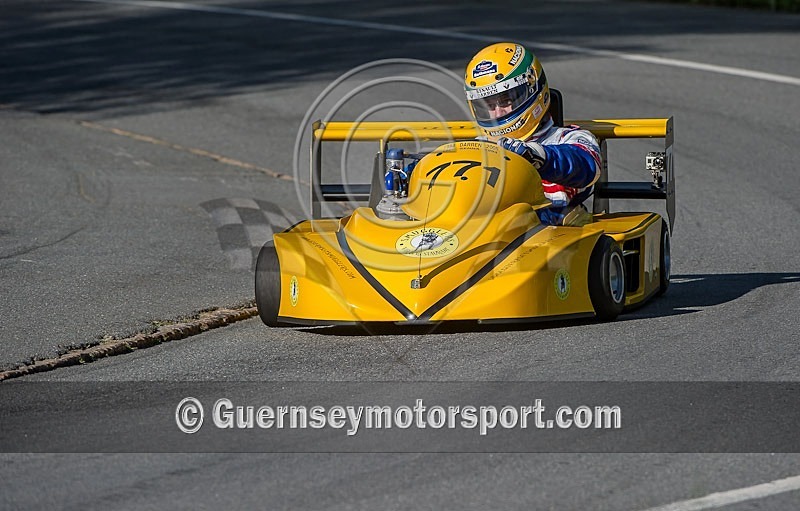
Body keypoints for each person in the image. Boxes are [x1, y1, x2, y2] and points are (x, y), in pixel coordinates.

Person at [464, 42, 602, 225]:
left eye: (505, 101)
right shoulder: (477, 147)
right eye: (489, 105)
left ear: (533, 89)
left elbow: (587, 167)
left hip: (550, 236)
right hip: (487, 234)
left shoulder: (566, 139)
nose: (497, 113)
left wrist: (539, 156)